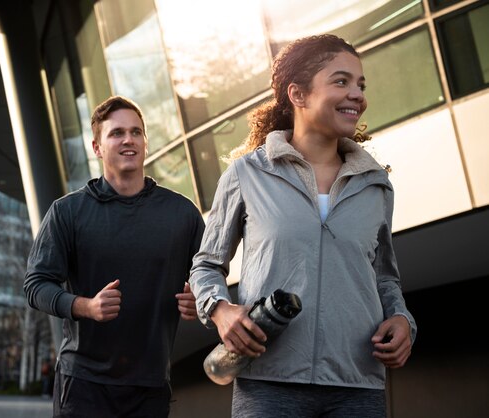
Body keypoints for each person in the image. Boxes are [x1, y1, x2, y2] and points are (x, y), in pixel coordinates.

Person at [189, 34, 417, 418]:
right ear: (298, 94)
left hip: (357, 387)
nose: (357, 95)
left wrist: (403, 321)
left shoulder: (376, 185)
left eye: (361, 85)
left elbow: (384, 279)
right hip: (268, 385)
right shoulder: (248, 174)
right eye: (341, 81)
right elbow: (206, 265)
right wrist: (220, 309)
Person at [24, 95, 205, 417]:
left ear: (146, 143)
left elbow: (209, 274)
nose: (128, 140)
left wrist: (200, 301)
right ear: (97, 147)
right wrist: (85, 306)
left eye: (136, 132)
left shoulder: (182, 213)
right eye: (117, 133)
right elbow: (36, 285)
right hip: (83, 384)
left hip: (150, 386)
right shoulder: (68, 212)